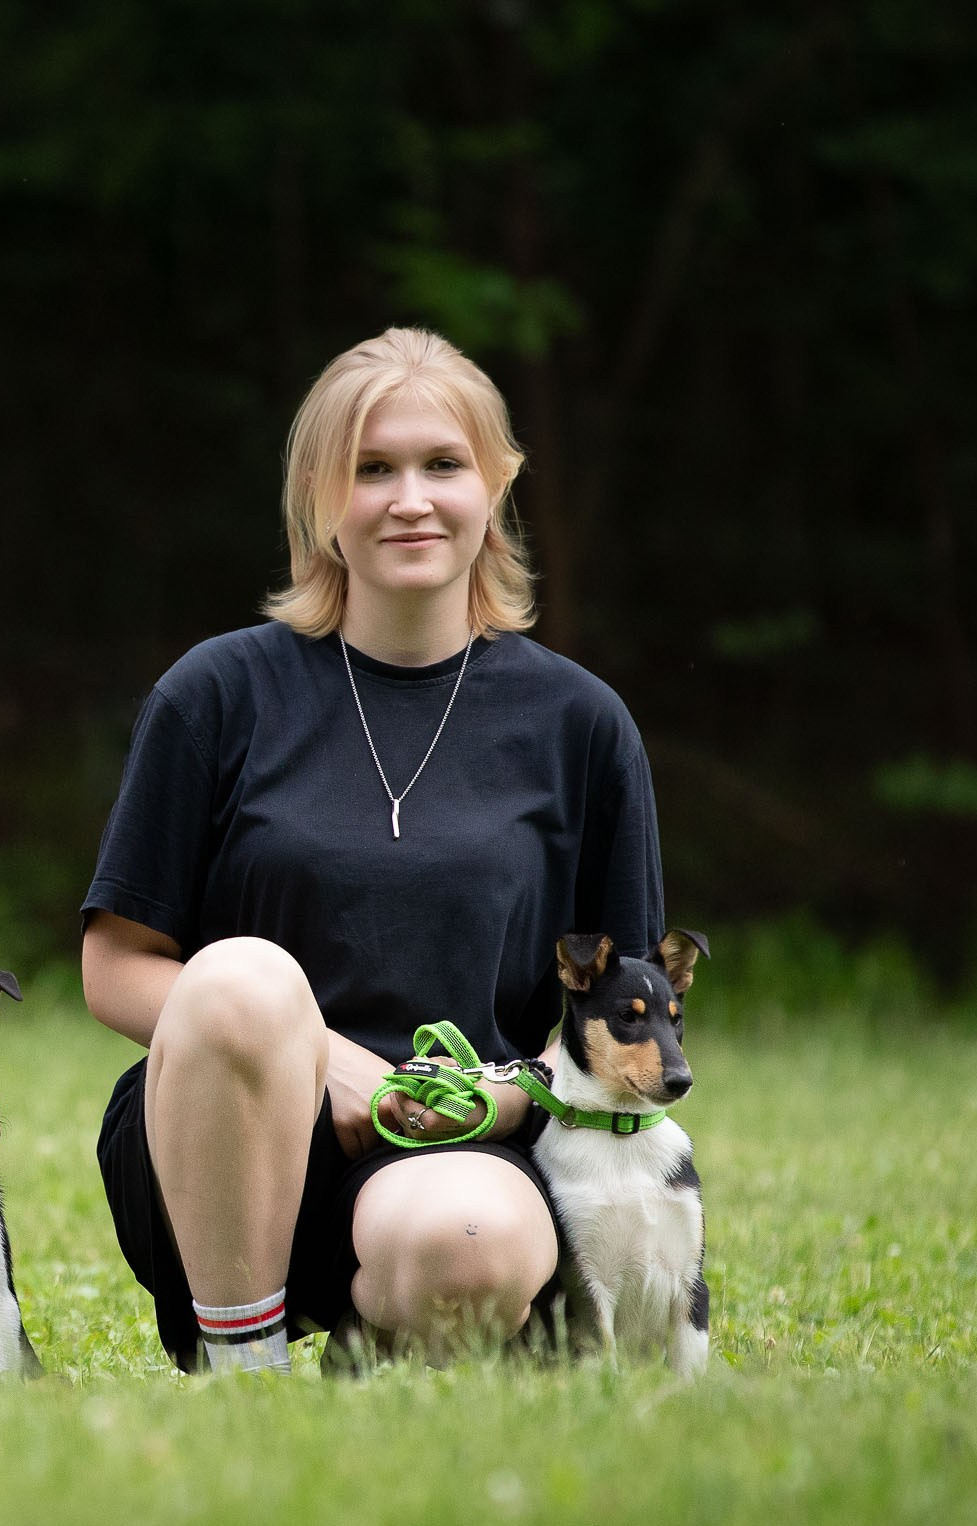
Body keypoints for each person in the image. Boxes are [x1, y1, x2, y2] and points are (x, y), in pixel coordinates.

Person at [81, 327, 662, 1375]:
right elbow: (114, 965)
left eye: (443, 464)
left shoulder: (579, 722)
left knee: (473, 1249)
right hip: (220, 1131)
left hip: (458, 1138)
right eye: (371, 468)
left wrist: (501, 1094)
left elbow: (624, 1012)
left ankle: (385, 1336)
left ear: (494, 484)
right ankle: (238, 1366)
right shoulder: (215, 695)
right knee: (246, 975)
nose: (409, 498)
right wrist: (322, 1061)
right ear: (318, 495)